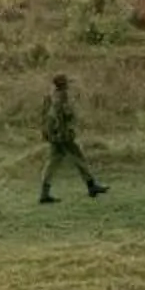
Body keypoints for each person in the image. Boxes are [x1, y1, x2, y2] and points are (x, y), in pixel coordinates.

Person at [38, 74, 107, 204]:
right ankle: (91, 185)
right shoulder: (61, 97)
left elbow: (48, 116)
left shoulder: (51, 96)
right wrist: (66, 131)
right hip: (63, 135)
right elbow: (63, 116)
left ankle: (44, 192)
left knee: (53, 162)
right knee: (78, 158)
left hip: (56, 135)